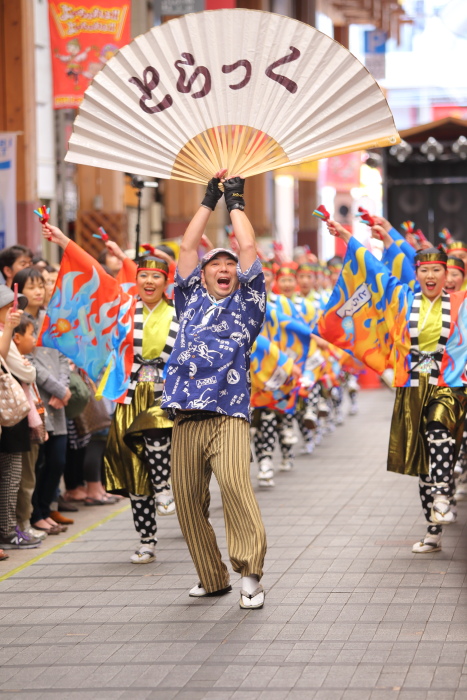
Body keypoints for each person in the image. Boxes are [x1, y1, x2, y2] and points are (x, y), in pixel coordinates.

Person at [319, 219, 467, 554]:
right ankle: (433, 527)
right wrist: (347, 238)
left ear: (447, 274)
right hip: (412, 386)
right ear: (417, 273)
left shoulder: (462, 303)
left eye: (437, 270)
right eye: (424, 270)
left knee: (438, 429)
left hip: (448, 384)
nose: (430, 276)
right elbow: (372, 270)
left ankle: (443, 494)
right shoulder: (402, 298)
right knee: (422, 460)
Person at [39, 222, 179, 564]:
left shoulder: (181, 312)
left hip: (165, 396)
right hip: (129, 397)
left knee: (156, 431)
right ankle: (146, 539)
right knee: (133, 472)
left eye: (156, 277)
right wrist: (64, 241)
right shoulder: (123, 307)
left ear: (167, 283)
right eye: (143, 276)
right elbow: (94, 274)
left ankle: (164, 486)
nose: (148, 282)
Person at [161, 173, 267, 609]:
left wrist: (235, 201)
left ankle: (250, 574)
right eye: (214, 265)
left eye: (228, 266)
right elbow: (187, 247)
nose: (223, 269)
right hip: (185, 416)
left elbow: (248, 248)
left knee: (235, 486)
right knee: (186, 502)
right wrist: (208, 199)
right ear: (202, 275)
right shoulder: (188, 299)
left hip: (228, 414)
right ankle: (212, 577)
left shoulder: (248, 304)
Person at [13, 267, 71, 535]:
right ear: (19, 292)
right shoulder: (20, 322)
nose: (39, 291)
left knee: (58, 460)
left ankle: (46, 509)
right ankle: (36, 514)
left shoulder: (52, 318)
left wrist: (64, 388)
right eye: (31, 287)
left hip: (58, 402)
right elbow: (29, 362)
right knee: (37, 463)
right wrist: (58, 388)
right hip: (36, 401)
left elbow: (62, 355)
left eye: (41, 286)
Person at [0, 286, 41, 550]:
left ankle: (10, 528)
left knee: (13, 474)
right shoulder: (6, 332)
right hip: (9, 414)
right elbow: (27, 373)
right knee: (12, 475)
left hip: (9, 415)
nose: (14, 311)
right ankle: (8, 529)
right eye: (9, 307)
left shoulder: (7, 331)